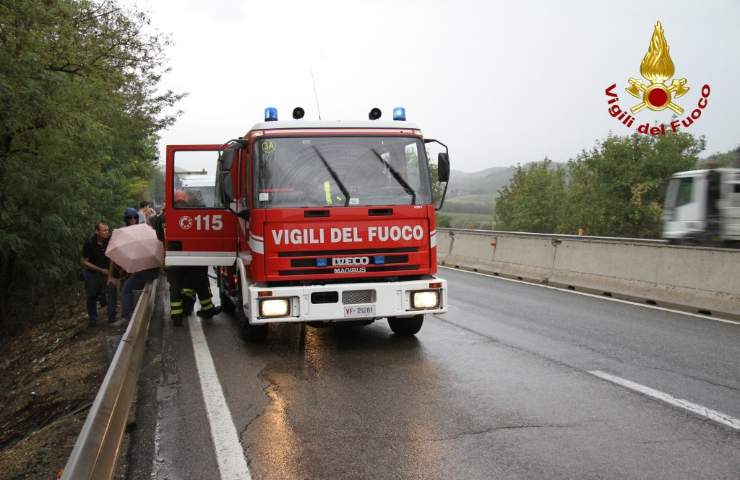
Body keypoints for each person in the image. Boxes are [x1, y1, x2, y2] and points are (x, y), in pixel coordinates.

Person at [154, 199, 221, 326]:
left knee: (175, 287)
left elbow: (159, 237)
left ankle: (177, 317)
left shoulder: (161, 218)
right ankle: (205, 309)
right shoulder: (190, 217)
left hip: (171, 257)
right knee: (199, 282)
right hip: (190, 256)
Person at [115, 208, 161, 326]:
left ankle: (126, 316)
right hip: (150, 268)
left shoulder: (137, 233)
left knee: (127, 288)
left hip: (148, 269)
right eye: (130, 218)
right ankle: (130, 312)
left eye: (134, 218)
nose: (132, 220)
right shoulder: (145, 230)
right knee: (130, 285)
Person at [81, 222, 117, 327]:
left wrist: (110, 275)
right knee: (91, 295)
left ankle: (112, 316)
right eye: (104, 230)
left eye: (108, 230)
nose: (107, 232)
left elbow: (112, 257)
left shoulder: (109, 240)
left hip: (107, 270)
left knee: (111, 290)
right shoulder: (89, 243)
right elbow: (83, 262)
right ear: (97, 231)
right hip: (92, 272)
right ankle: (93, 319)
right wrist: (100, 270)